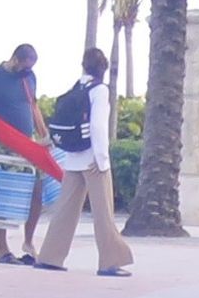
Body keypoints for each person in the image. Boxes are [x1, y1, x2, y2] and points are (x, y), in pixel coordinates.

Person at [34, 47, 133, 277]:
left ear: (84, 66)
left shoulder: (76, 88)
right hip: (92, 160)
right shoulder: (99, 90)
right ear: (103, 68)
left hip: (73, 158)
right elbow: (98, 126)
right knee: (103, 213)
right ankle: (109, 262)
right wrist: (102, 159)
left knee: (64, 211)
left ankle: (50, 257)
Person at [0, 44, 48, 263]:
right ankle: (3, 249)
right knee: (2, 195)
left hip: (27, 144)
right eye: (24, 66)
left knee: (36, 191)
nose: (27, 70)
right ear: (15, 59)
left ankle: (28, 242)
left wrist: (44, 135)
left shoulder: (29, 77)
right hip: (2, 144)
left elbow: (33, 106)